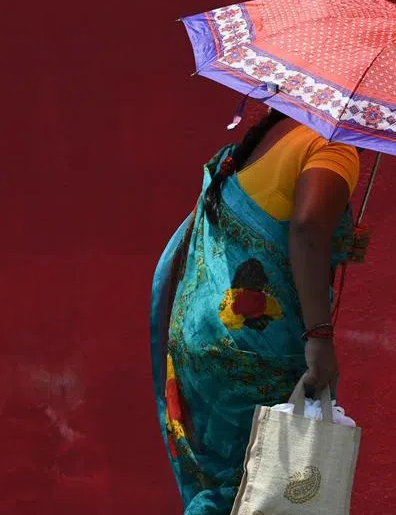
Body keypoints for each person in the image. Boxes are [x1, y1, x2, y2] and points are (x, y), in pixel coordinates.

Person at [149, 108, 365, 514]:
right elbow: (307, 228)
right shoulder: (328, 146)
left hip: (199, 339)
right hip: (255, 348)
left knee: (221, 484)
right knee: (254, 485)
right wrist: (320, 337)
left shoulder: (265, 139)